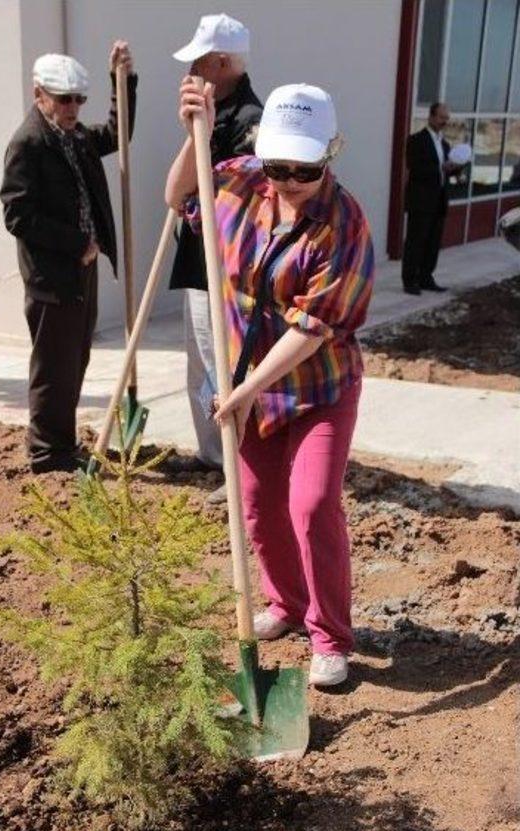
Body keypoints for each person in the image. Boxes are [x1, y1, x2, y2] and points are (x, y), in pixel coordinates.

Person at [166, 80, 374, 687]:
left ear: (330, 153)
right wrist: (192, 139)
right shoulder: (237, 181)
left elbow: (313, 327)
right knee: (257, 507)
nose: (285, 179)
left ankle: (330, 635)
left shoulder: (343, 222)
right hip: (248, 386)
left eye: (301, 170)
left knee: (310, 505)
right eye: (276, 163)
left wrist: (248, 386)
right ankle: (286, 604)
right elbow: (179, 197)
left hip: (318, 389)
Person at [1, 45, 136, 474]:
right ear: (38, 94)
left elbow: (117, 135)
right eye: (64, 99)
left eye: (79, 99)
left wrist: (122, 81)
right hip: (53, 276)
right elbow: (18, 214)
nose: (73, 107)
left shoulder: (74, 137)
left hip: (82, 270)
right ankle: (47, 453)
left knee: (75, 359)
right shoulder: (29, 143)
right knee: (53, 367)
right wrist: (77, 243)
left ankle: (62, 442)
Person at [168, 13, 262, 502]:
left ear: (223, 62)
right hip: (197, 263)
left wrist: (198, 133)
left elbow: (201, 198)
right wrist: (194, 130)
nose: (191, 72)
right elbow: (177, 194)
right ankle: (212, 454)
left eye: (200, 62)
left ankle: (238, 470)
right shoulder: (213, 111)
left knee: (224, 371)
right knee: (200, 367)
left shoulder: (248, 121)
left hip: (223, 271)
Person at [402, 102, 461, 296]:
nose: (445, 121)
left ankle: (426, 278)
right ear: (431, 116)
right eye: (442, 117)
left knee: (433, 243)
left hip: (439, 201)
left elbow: (447, 172)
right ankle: (410, 281)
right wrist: (440, 169)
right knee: (415, 242)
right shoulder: (416, 140)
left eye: (446, 118)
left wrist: (457, 168)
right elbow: (415, 167)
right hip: (421, 201)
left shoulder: (444, 143)